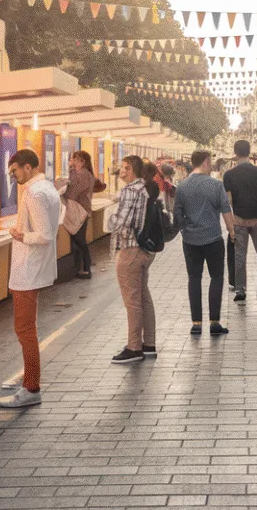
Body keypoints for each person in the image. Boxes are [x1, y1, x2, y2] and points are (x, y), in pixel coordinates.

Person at [0, 149, 60, 408]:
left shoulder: (34, 193)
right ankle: (28, 376)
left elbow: (44, 235)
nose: (13, 176)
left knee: (25, 329)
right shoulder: (48, 188)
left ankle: (31, 387)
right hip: (36, 267)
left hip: (28, 269)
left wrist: (20, 235)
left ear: (28, 167)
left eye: (15, 170)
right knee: (27, 328)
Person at [174, 150, 234, 336]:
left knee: (194, 278)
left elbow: (177, 214)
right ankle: (214, 322)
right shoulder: (216, 185)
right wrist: (232, 232)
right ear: (206, 162)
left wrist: (186, 230)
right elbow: (226, 210)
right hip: (213, 239)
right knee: (216, 277)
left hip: (190, 241)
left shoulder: (182, 186)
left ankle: (196, 324)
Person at [108, 155, 156, 364]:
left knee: (132, 301)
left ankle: (134, 347)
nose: (122, 170)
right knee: (143, 297)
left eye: (126, 167)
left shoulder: (130, 190)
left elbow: (119, 223)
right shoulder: (144, 188)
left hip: (130, 249)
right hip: (144, 249)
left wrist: (110, 217)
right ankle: (149, 343)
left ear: (133, 170)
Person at [223, 140, 257, 305]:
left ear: (235, 153)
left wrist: (233, 218)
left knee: (240, 256)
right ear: (249, 152)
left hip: (239, 221)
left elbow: (228, 200)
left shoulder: (229, 175)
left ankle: (240, 291)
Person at [62, 150, 105, 280]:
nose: (71, 160)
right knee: (76, 240)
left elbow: (72, 193)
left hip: (80, 210)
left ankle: (86, 269)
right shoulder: (76, 173)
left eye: (74, 159)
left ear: (82, 162)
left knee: (79, 240)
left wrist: (61, 189)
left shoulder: (84, 175)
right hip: (77, 210)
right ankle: (79, 268)